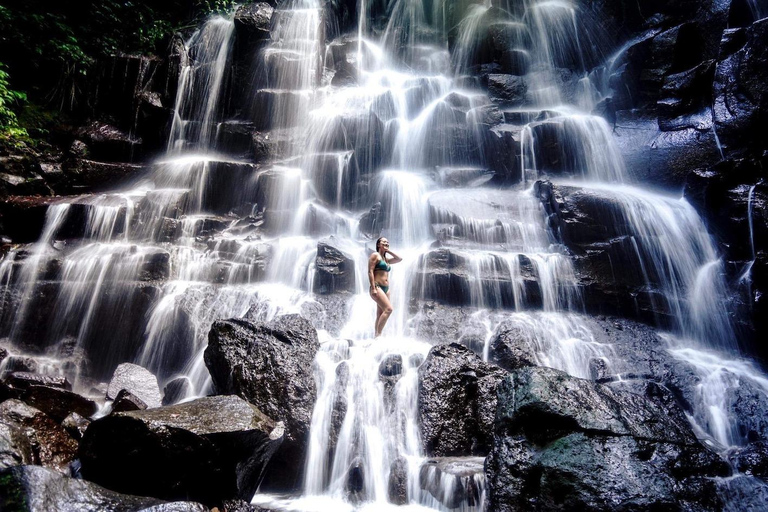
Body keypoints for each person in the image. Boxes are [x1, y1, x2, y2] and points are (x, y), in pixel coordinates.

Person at [368, 237, 402, 337]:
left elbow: (399, 259)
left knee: (380, 313)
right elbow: (370, 271)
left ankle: (375, 336)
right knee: (389, 309)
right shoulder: (375, 255)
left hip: (386, 289)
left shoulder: (386, 259)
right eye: (384, 242)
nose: (386, 243)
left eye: (388, 242)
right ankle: (379, 335)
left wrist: (388, 251)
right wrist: (373, 287)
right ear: (378, 244)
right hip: (377, 287)